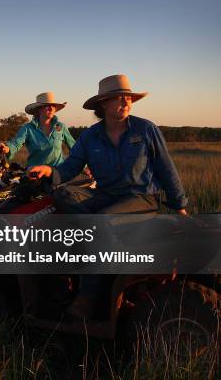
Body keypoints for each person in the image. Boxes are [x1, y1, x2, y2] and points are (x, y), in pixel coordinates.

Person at [29, 74, 188, 319]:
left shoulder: (146, 129)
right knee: (62, 195)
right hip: (105, 196)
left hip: (141, 198)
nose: (126, 102)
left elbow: (167, 169)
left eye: (129, 98)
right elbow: (70, 168)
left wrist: (180, 207)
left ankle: (88, 297)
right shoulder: (90, 136)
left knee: (99, 222)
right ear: (103, 104)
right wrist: (50, 170)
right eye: (119, 98)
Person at [0, 92, 76, 167]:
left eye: (53, 105)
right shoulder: (28, 128)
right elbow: (16, 144)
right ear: (38, 109)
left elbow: (74, 147)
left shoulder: (61, 127)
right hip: (34, 173)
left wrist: (84, 166)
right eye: (47, 105)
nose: (51, 108)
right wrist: (8, 148)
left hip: (57, 173)